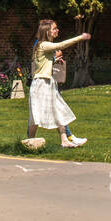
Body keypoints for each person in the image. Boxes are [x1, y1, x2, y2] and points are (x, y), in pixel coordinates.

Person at [27, 19, 89, 148]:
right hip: (41, 85)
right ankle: (29, 141)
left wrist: (54, 60)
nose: (57, 30)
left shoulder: (43, 45)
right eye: (54, 28)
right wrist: (80, 37)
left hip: (47, 83)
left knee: (58, 110)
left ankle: (65, 140)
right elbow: (62, 45)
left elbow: (42, 64)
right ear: (47, 31)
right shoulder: (44, 45)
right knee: (36, 115)